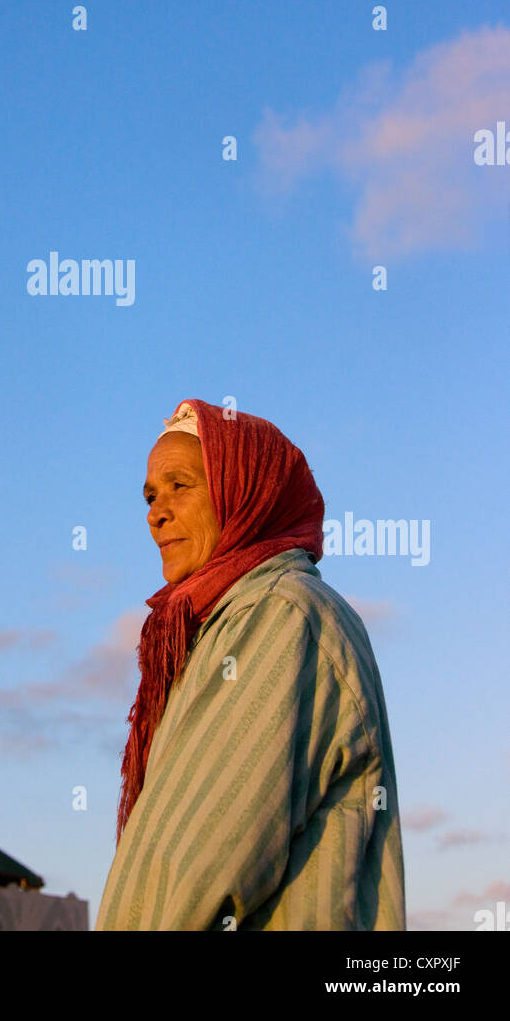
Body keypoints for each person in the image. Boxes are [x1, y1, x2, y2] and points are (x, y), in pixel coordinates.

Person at [94, 399, 405, 931]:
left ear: (246, 491)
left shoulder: (279, 613)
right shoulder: (225, 624)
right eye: (150, 495)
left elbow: (201, 857)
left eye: (180, 486)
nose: (154, 513)